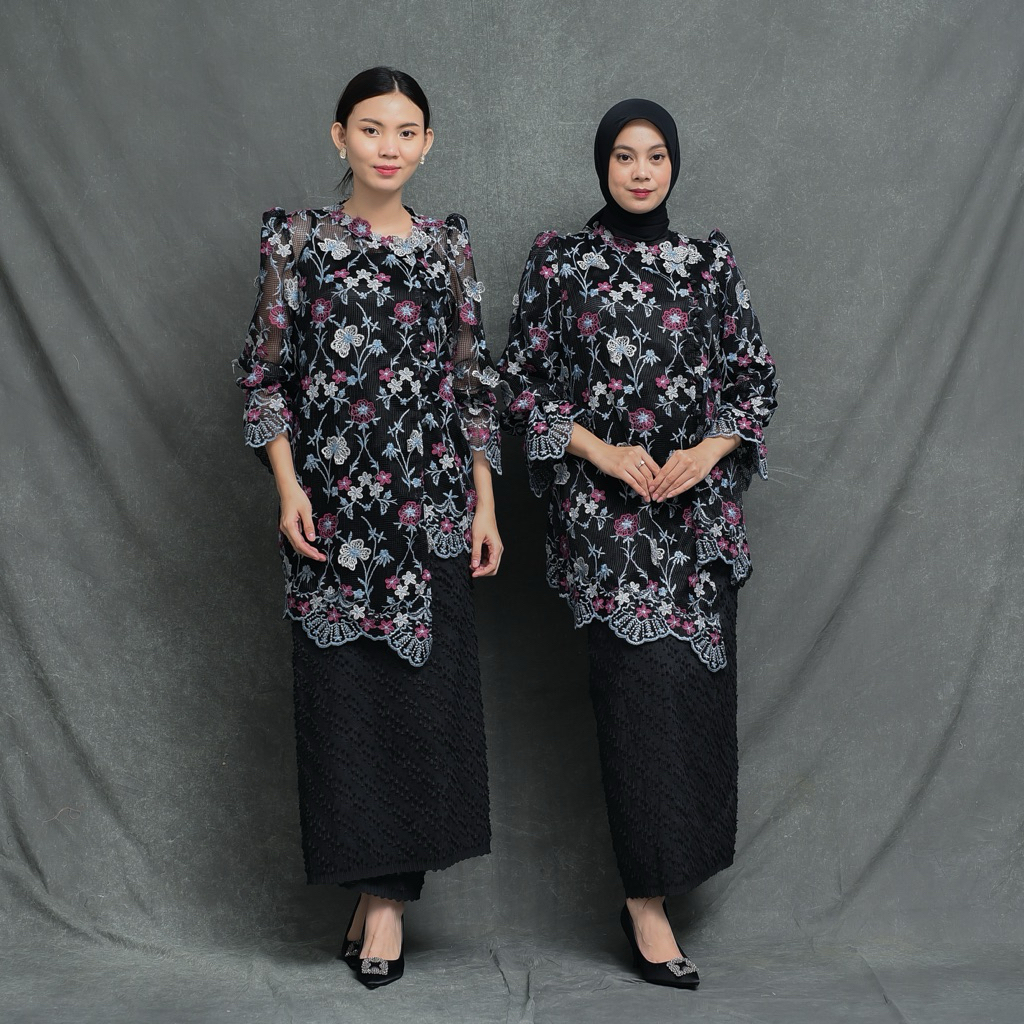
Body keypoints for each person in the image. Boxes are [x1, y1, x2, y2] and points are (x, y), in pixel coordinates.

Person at [499, 98, 778, 989]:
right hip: (607, 523)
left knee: (693, 703)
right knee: (637, 703)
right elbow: (522, 385)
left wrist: (708, 452)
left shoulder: (709, 264)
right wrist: (603, 452)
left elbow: (754, 382)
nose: (641, 171)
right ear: (603, 165)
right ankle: (645, 905)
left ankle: (669, 880)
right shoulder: (562, 261)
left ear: (674, 165)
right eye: (624, 155)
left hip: (698, 524)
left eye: (656, 155)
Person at [235, 66, 503, 989]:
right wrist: (287, 487)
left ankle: (385, 907)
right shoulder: (296, 242)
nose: (389, 147)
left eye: (407, 131)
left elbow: (470, 381)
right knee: (347, 711)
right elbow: (264, 375)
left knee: (423, 712)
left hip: (431, 513)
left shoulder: (447, 247)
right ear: (339, 136)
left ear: (428, 144)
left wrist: (485, 500)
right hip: (334, 518)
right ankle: (372, 894)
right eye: (372, 128)